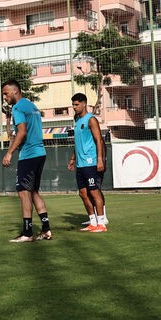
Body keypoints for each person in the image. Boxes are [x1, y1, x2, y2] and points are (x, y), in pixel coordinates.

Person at [2, 80, 51, 243]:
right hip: (40, 152)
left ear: (15, 91)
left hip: (29, 154)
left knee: (23, 193)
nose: (4, 97)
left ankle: (27, 233)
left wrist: (9, 152)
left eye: (6, 93)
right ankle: (46, 230)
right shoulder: (32, 106)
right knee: (34, 192)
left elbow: (22, 132)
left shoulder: (17, 108)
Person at [69, 93, 108, 232]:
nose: (74, 107)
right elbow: (77, 143)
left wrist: (100, 160)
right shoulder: (78, 121)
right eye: (73, 104)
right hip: (80, 164)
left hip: (91, 162)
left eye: (76, 104)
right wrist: (73, 158)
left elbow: (99, 140)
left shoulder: (91, 120)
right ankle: (92, 222)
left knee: (94, 192)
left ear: (84, 104)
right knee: (83, 194)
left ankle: (102, 223)